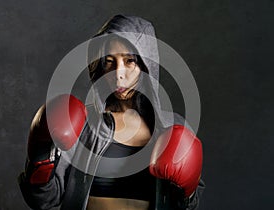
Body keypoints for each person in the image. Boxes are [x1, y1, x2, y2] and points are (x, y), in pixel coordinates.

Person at [18, 14, 205, 210]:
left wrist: (188, 188)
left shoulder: (173, 127)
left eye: (129, 61)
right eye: (109, 61)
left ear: (146, 64)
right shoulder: (83, 124)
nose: (118, 74)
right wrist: (40, 159)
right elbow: (44, 200)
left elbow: (187, 207)